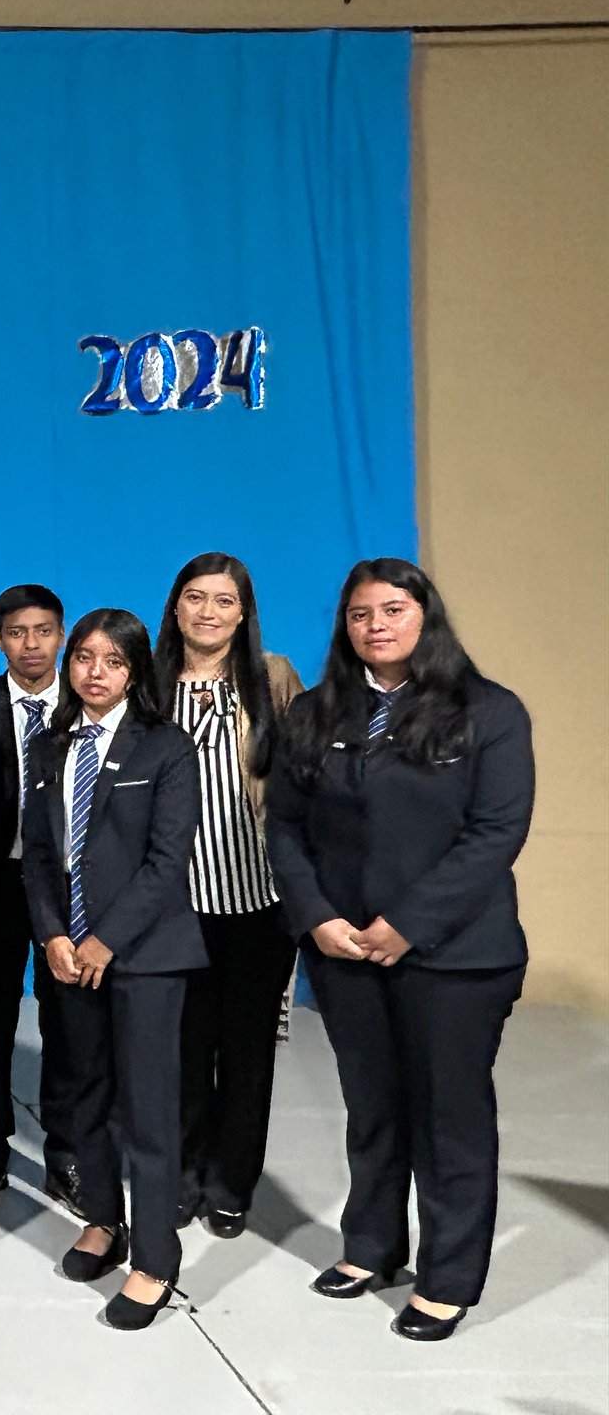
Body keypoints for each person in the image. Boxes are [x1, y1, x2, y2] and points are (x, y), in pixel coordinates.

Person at [267, 559, 533, 1343]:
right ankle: (373, 1247)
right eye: (360, 614)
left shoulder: (488, 711)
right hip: (344, 949)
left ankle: (447, 1278)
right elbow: (285, 824)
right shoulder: (315, 711)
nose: (375, 625)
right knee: (373, 1106)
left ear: (426, 617)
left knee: (448, 1116)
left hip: (455, 955)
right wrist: (316, 916)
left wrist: (408, 923)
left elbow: (496, 832)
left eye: (392, 610)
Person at [24, 609, 203, 1331]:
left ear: (135, 671)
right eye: (84, 658)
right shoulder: (49, 745)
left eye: (113, 661)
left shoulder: (166, 747)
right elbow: (39, 855)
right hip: (68, 956)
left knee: (148, 1111)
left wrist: (104, 941)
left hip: (145, 958)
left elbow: (166, 861)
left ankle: (155, 1257)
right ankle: (104, 1219)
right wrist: (52, 933)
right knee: (83, 1098)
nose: (95, 672)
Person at [151, 553, 304, 1239]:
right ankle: (184, 1174)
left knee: (247, 1053)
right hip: (174, 905)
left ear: (243, 613)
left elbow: (304, 777)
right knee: (182, 1051)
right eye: (195, 597)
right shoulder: (149, 683)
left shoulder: (272, 678)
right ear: (175, 607)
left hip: (258, 902)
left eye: (223, 600)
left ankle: (231, 1183)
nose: (207, 611)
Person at [0, 585, 82, 1213]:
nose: (32, 645)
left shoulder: (84, 701)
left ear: (62, 634)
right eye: (18, 633)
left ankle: (66, 1155)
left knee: (67, 1024)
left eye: (44, 631)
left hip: (67, 887)